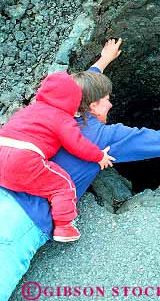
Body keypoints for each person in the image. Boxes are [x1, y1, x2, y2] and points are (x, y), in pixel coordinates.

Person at [0, 38, 160, 300]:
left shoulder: (48, 112)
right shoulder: (103, 137)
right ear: (92, 105)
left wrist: (103, 61)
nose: (111, 104)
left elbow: (81, 87)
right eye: (107, 99)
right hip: (22, 219)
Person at [0, 70, 115, 243]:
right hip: (25, 157)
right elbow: (78, 144)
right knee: (62, 185)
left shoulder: (30, 109)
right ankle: (63, 226)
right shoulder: (62, 118)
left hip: (3, 146)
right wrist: (99, 156)